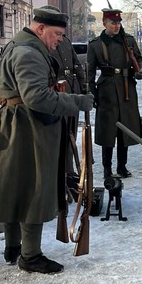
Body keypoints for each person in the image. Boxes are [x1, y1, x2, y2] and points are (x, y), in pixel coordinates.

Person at [0, 6, 94, 274]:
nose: (59, 40)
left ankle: (13, 247)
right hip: (27, 130)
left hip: (15, 126)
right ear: (40, 29)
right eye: (57, 34)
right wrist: (78, 102)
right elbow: (37, 97)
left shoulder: (18, 45)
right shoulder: (29, 53)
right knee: (33, 190)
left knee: (15, 188)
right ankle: (31, 255)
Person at [87, 8, 142, 179]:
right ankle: (107, 168)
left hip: (127, 86)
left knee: (125, 130)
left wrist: (141, 69)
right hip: (107, 90)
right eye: (113, 23)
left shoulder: (128, 41)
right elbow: (90, 73)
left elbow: (140, 59)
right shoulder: (96, 45)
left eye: (119, 23)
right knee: (107, 131)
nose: (116, 26)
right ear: (104, 23)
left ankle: (122, 166)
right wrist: (93, 95)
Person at [51, 33, 87, 180]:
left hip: (72, 89)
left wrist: (83, 85)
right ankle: (60, 174)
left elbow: (76, 64)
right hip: (57, 92)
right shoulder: (45, 42)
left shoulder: (65, 41)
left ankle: (69, 170)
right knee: (60, 133)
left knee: (71, 133)